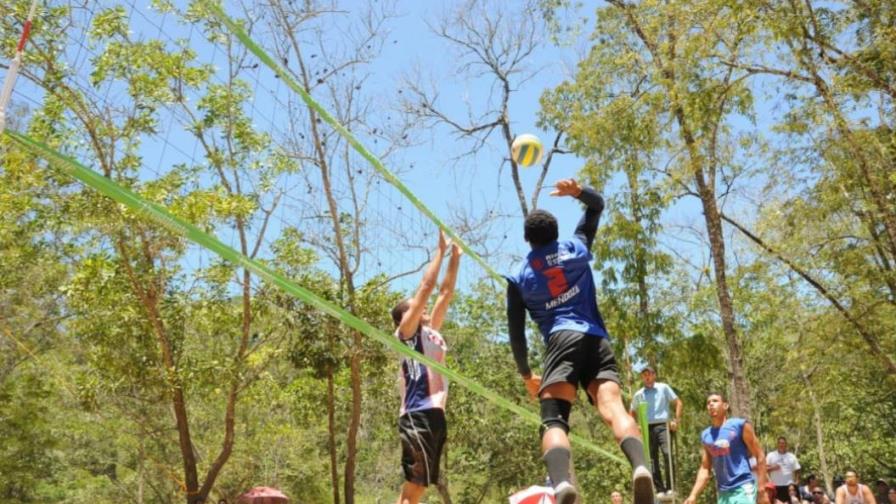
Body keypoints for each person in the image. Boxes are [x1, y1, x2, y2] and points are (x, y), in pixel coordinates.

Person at [505, 178, 654, 504]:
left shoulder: (519, 277)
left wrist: (526, 373)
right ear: (556, 234)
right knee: (613, 407)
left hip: (561, 340)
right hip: (596, 339)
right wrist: (578, 192)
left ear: (526, 238)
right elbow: (597, 205)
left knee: (554, 418)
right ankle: (641, 468)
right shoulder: (575, 248)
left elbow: (515, 332)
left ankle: (561, 485)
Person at [392, 230, 462, 504]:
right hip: (416, 414)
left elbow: (445, 292)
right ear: (404, 317)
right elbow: (426, 287)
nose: (423, 308)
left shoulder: (430, 331)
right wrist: (440, 252)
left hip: (435, 413)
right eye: (415, 308)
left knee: (420, 487)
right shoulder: (406, 333)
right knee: (414, 485)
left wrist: (455, 258)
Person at [682, 392, 770, 504]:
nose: (711, 404)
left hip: (743, 487)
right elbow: (705, 468)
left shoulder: (739, 426)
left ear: (725, 406)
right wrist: (693, 495)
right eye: (708, 403)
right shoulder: (706, 435)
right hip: (723, 494)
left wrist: (762, 489)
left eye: (715, 401)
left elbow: (760, 455)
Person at [629, 365, 683, 496]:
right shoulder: (638, 394)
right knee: (652, 459)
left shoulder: (663, 388)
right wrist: (637, 426)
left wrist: (676, 420)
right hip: (647, 428)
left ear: (654, 375)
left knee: (667, 453)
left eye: (649, 374)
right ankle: (660, 489)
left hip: (663, 424)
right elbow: (631, 412)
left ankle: (671, 488)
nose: (647, 377)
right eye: (644, 375)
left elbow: (678, 403)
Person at [768, 436, 802, 503]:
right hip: (775, 486)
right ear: (777, 444)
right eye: (780, 443)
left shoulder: (791, 456)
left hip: (789, 486)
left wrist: (797, 481)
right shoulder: (771, 455)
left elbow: (798, 469)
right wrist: (773, 468)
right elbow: (764, 469)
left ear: (786, 444)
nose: (781, 445)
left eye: (783, 443)